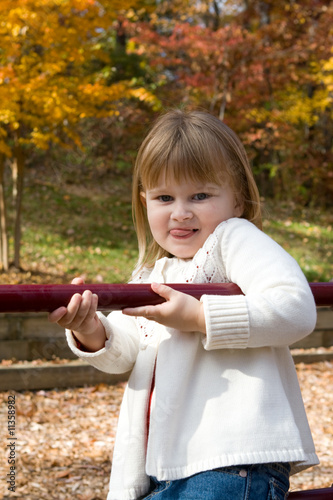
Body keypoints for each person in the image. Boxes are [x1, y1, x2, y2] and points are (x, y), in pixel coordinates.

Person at [49, 109, 319, 500]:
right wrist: (90, 328)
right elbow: (127, 352)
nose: (180, 211)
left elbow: (295, 307)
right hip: (162, 469)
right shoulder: (152, 271)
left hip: (230, 460)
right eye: (164, 197)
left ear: (238, 199)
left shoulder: (233, 239)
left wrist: (198, 316)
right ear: (145, 202)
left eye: (200, 195)